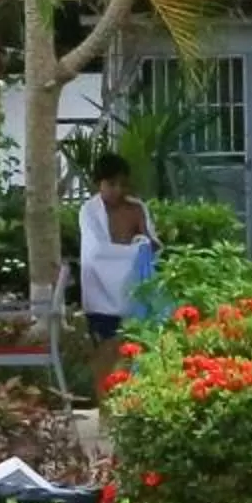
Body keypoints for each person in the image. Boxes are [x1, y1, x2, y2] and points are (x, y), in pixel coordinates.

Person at [74, 157, 158, 397]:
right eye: (112, 184)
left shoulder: (137, 208)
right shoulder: (89, 211)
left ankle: (134, 405)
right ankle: (105, 408)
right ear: (98, 184)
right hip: (100, 294)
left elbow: (151, 245)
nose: (118, 190)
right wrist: (132, 251)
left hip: (134, 293)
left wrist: (142, 245)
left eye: (123, 184)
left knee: (134, 351)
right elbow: (95, 253)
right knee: (105, 353)